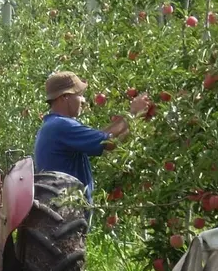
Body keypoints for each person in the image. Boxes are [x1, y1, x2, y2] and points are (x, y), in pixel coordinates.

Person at [33, 71, 146, 203]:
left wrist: (136, 121)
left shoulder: (52, 126)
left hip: (63, 213)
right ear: (65, 97)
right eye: (79, 95)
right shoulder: (61, 126)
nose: (83, 100)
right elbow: (107, 142)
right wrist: (133, 113)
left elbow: (103, 138)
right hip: (67, 214)